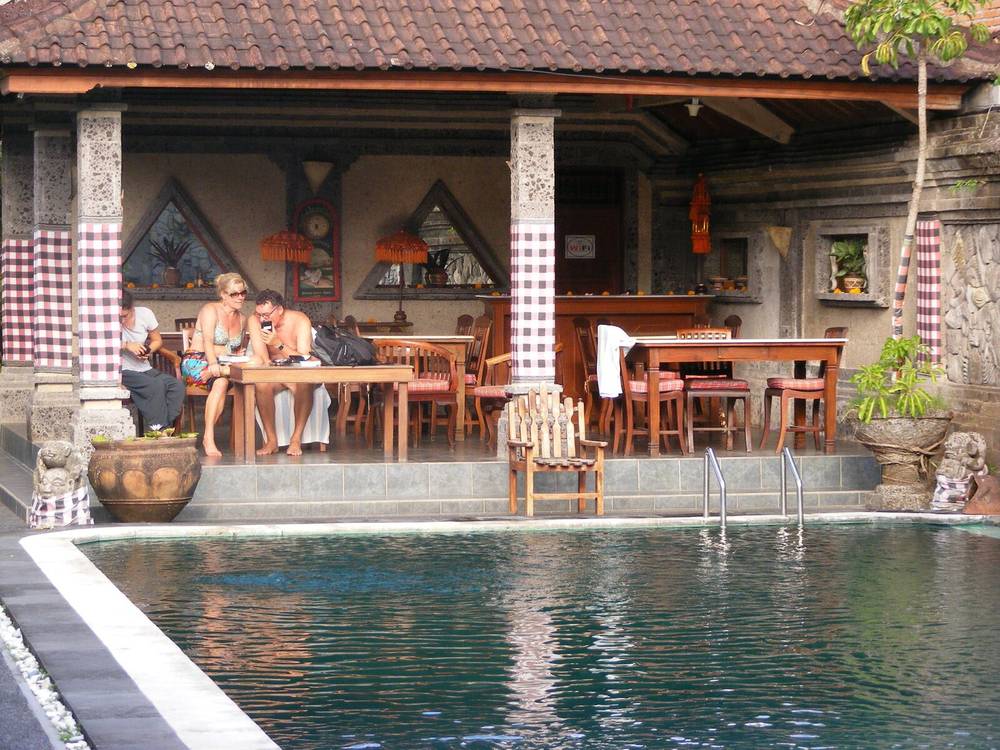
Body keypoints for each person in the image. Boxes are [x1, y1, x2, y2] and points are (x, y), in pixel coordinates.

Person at [180, 273, 249, 456]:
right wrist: (212, 365)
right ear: (223, 294)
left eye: (243, 293)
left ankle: (207, 437)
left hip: (223, 365)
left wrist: (237, 354)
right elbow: (208, 342)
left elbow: (236, 348)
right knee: (222, 378)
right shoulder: (210, 310)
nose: (240, 297)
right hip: (197, 360)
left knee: (222, 382)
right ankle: (209, 438)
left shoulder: (243, 319)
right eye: (235, 294)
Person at [247, 289, 317, 456]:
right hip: (273, 370)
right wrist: (279, 374)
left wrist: (278, 343)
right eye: (259, 314)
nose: (262, 319)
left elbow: (304, 358)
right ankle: (272, 441)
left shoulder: (299, 320)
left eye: (266, 315)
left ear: (279, 309)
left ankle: (296, 439)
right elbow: (263, 358)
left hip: (298, 371)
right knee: (261, 384)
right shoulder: (254, 320)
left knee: (304, 383)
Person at [120, 290, 184, 432]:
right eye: (119, 317)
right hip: (123, 371)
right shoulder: (108, 319)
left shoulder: (145, 314)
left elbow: (157, 341)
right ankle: (161, 430)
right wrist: (127, 345)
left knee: (176, 386)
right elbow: (100, 343)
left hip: (144, 368)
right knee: (155, 385)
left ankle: (164, 428)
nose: (122, 321)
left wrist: (148, 351)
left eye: (125, 316)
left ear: (132, 308)